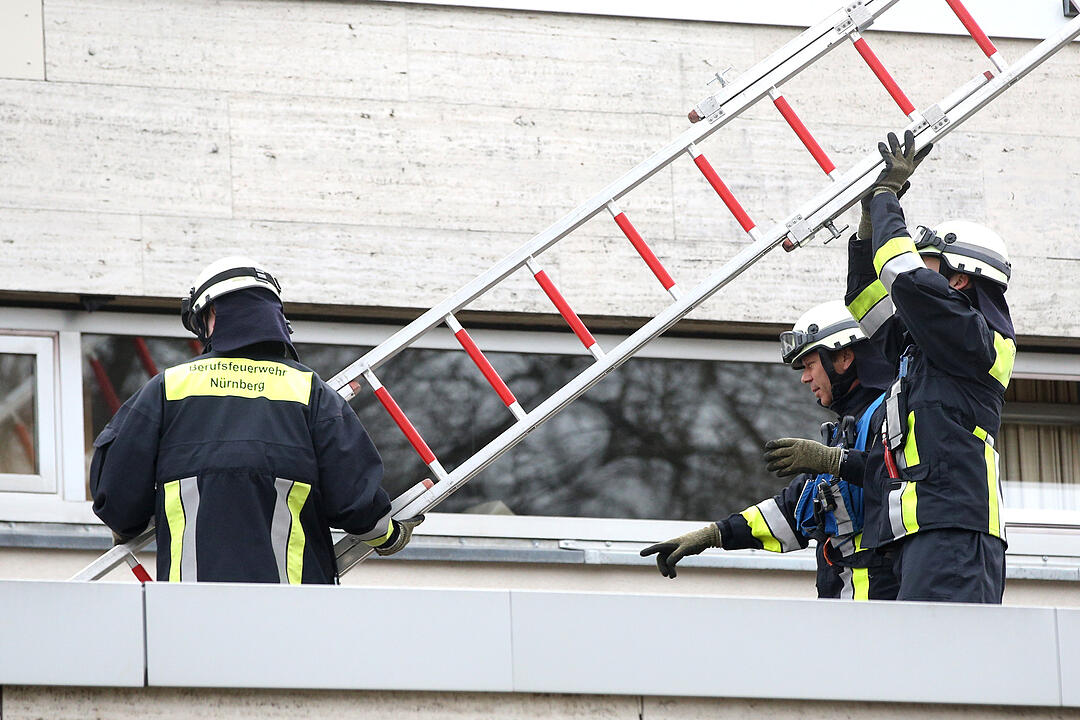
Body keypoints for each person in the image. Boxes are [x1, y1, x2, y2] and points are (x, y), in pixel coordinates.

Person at [777, 131, 1015, 603]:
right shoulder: (930, 347)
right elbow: (869, 304)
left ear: (960, 279)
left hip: (954, 527)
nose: (920, 269)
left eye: (931, 264)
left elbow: (903, 277)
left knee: (941, 647)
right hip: (922, 529)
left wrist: (886, 197)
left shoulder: (972, 334)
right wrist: (867, 232)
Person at [90, 257, 421, 583]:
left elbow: (117, 496)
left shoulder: (168, 389)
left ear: (211, 313)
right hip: (291, 604)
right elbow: (356, 501)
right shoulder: (309, 391)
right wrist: (389, 535)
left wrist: (128, 526)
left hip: (191, 605)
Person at [640, 301, 899, 600]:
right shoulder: (846, 432)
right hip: (845, 608)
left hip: (882, 608)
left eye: (810, 365)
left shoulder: (890, 414)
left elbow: (901, 483)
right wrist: (714, 534)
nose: (804, 378)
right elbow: (790, 511)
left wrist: (835, 461)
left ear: (843, 357)